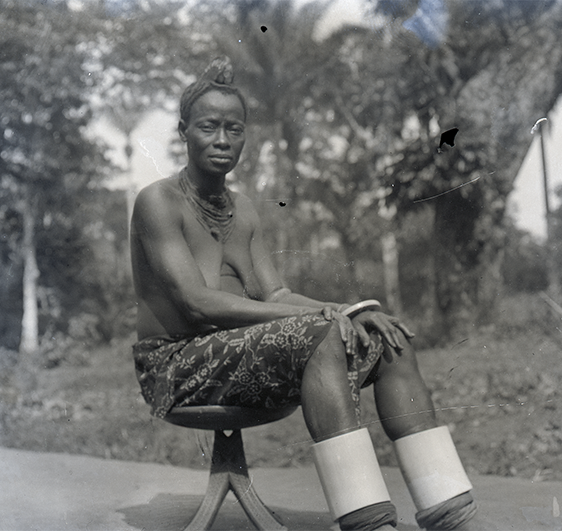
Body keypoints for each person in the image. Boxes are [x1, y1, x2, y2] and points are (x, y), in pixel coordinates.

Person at [130, 57, 482, 531]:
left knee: (387, 338)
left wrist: (352, 311)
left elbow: (275, 290)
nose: (221, 140)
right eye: (208, 127)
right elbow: (197, 303)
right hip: (174, 364)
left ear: (245, 138)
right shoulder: (158, 201)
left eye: (233, 129)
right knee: (317, 335)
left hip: (236, 358)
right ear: (183, 131)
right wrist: (317, 321)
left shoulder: (244, 210)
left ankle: (452, 515)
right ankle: (368, 522)